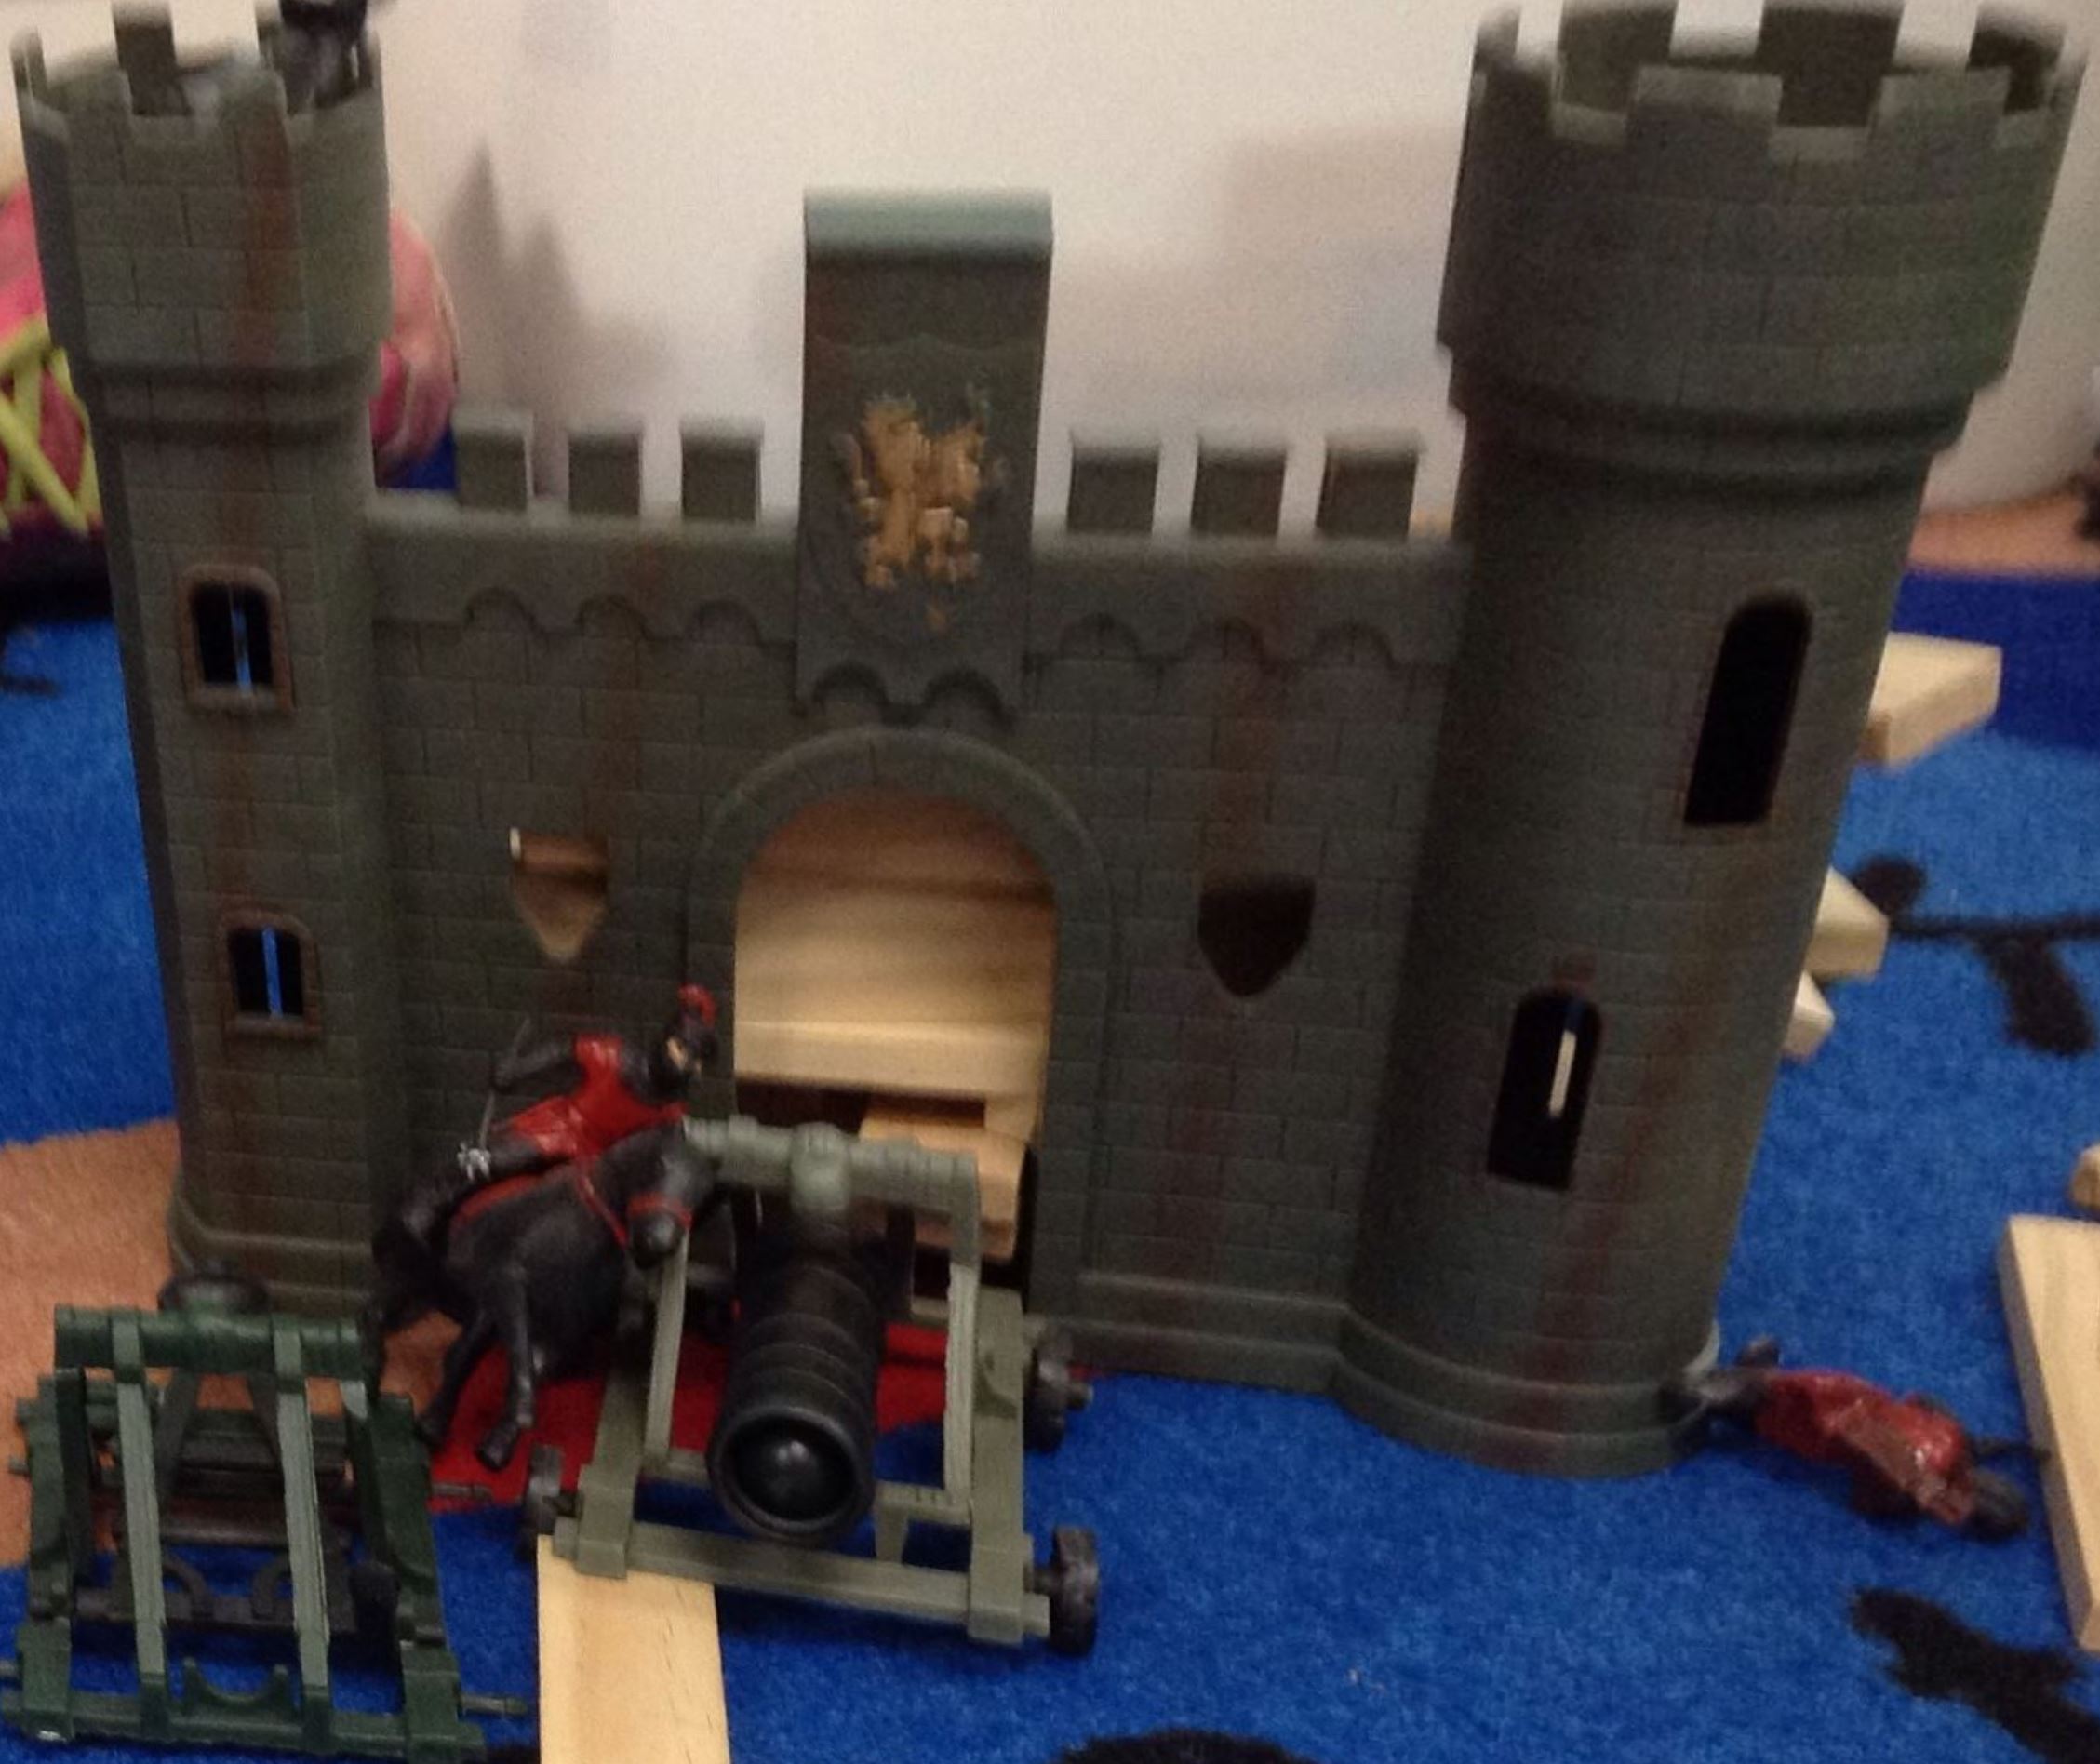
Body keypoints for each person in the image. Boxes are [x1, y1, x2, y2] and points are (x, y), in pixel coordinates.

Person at [376, 983, 717, 1275]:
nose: (685, 1064)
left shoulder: (669, 1114)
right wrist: (519, 1070)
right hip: (558, 1130)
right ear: (666, 1039)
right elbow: (564, 1051)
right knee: (490, 1160)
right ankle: (424, 1209)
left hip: (592, 1164)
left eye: (695, 1062)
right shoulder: (613, 1057)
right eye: (682, 1051)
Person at [1679, 1338, 2028, 1539]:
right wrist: (1900, 1507)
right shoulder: (1926, 1484)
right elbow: (1871, 1493)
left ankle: (1755, 1380)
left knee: (1805, 1393)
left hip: (1861, 1398)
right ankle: (1730, 1397)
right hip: (1839, 1427)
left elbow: (1924, 1400)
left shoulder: (1954, 1438)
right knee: (1787, 1420)